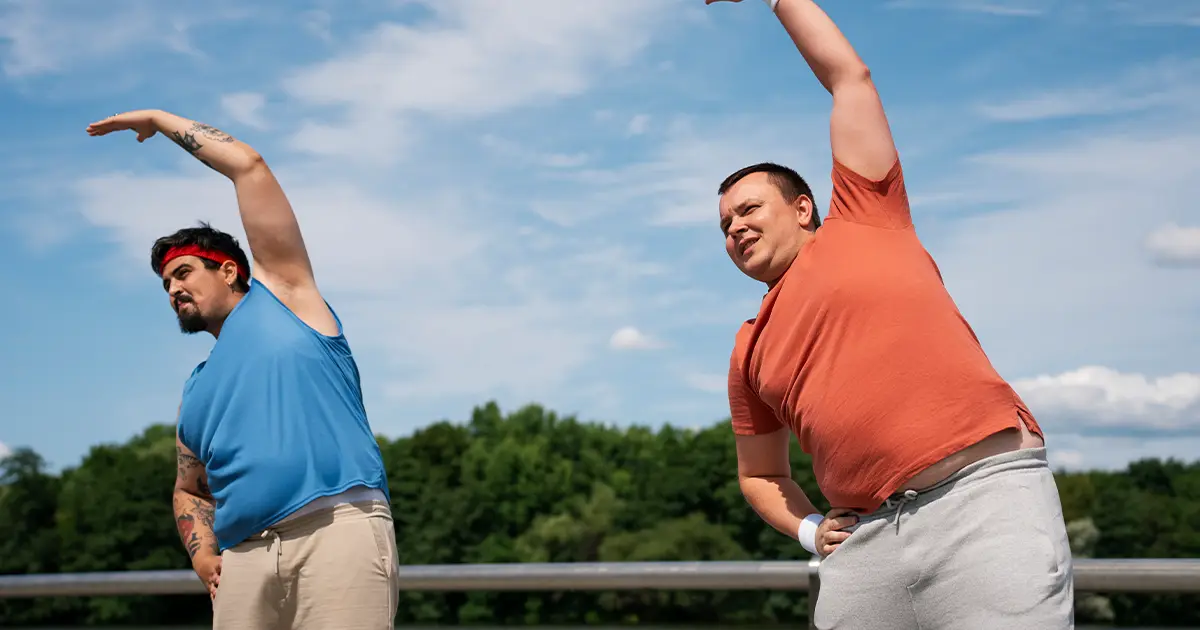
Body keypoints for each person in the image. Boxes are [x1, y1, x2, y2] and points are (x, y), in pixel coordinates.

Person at [706, 1, 1074, 628]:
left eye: (748, 209)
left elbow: (849, 77)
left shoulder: (866, 216)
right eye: (724, 225)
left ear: (801, 209)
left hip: (982, 504)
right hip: (865, 544)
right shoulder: (749, 347)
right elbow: (760, 474)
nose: (735, 227)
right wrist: (808, 530)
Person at [87, 110, 398, 629]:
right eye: (165, 284)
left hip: (336, 531)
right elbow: (190, 487)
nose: (173, 290)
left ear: (229, 269)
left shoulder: (286, 298)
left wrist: (160, 122)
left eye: (183, 272)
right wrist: (202, 553)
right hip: (244, 561)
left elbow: (249, 168)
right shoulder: (196, 388)